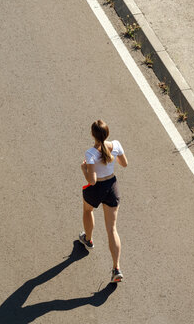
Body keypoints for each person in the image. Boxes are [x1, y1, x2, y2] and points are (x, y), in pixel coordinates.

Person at [79, 120, 128, 283]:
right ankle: (116, 268)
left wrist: (84, 169)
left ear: (93, 135)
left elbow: (92, 181)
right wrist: (113, 159)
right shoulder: (116, 145)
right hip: (111, 186)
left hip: (97, 188)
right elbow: (124, 164)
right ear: (107, 133)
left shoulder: (91, 153)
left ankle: (88, 239)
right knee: (112, 229)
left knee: (88, 210)